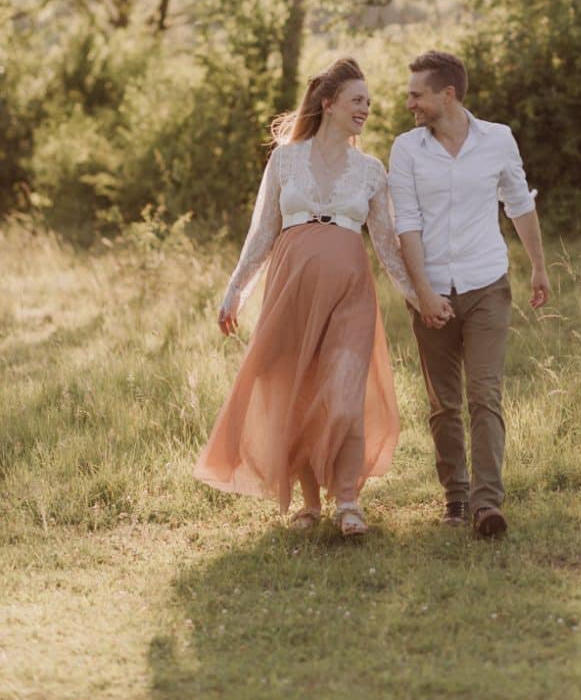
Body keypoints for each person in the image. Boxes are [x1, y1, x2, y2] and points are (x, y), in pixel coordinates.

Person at [194, 57, 422, 537]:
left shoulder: (371, 171)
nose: (366, 109)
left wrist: (419, 297)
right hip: (291, 289)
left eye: (369, 102)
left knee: (344, 397)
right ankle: (312, 504)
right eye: (357, 100)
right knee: (295, 394)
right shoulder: (286, 159)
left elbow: (386, 246)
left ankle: (349, 500)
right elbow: (261, 235)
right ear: (329, 103)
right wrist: (235, 291)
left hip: (350, 294)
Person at [388, 50, 550, 537]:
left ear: (447, 94)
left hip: (486, 284)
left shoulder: (497, 140)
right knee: (444, 402)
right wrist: (423, 293)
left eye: (417, 94)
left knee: (485, 393)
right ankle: (455, 497)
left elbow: (518, 203)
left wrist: (539, 266)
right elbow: (408, 224)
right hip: (430, 289)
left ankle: (486, 504)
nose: (409, 102)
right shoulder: (406, 149)